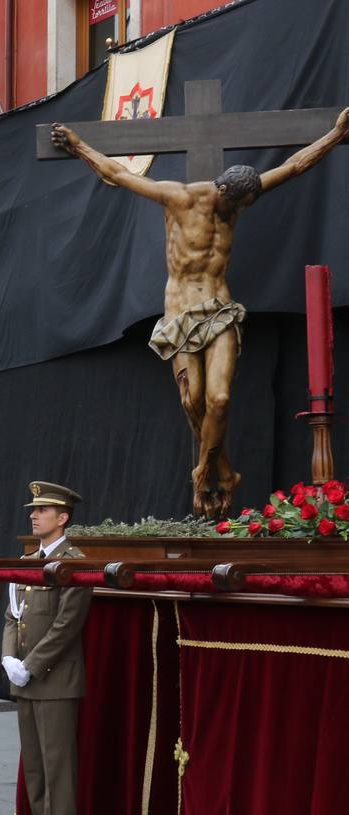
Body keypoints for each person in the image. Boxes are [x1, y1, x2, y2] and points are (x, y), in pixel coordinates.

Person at [51, 110, 349, 517]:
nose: (241, 210)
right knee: (194, 403)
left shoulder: (241, 197)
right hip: (180, 313)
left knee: (220, 398)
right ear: (224, 192)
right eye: (238, 204)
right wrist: (79, 144)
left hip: (220, 310)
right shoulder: (179, 197)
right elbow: (120, 176)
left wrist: (336, 134)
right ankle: (224, 470)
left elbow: (294, 165)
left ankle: (203, 471)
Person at [1, 481, 91, 815]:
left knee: (57, 764)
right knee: (34, 762)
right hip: (26, 676)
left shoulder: (74, 561)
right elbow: (13, 614)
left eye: (42, 510)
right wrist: (8, 657)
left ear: (63, 517)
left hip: (54, 678)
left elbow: (66, 625)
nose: (34, 515)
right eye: (33, 510)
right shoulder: (29, 559)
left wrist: (32, 664)